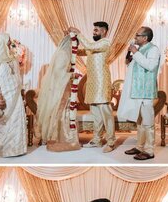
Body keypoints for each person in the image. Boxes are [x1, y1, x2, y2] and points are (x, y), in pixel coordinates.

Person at [68, 22, 115, 152]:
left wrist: (78, 33)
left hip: (101, 82)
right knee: (96, 115)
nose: (94, 32)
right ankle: (97, 140)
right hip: (92, 82)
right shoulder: (94, 46)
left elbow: (88, 45)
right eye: (93, 30)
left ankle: (111, 142)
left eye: (96, 30)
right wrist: (71, 44)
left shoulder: (105, 43)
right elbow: (83, 50)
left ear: (104, 31)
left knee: (106, 114)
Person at [119, 26, 161, 161]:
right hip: (136, 90)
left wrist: (135, 53)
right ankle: (139, 146)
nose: (135, 37)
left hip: (146, 91)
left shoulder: (153, 49)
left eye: (138, 35)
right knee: (140, 120)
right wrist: (129, 58)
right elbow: (136, 67)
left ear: (145, 38)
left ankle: (149, 150)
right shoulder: (141, 50)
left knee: (147, 121)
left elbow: (150, 66)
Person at [37, 36, 82, 152]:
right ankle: (60, 137)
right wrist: (72, 75)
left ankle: (58, 136)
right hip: (59, 88)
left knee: (63, 112)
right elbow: (58, 72)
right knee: (61, 112)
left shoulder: (66, 53)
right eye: (75, 45)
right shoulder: (63, 53)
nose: (76, 48)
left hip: (62, 86)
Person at [0, 32, 27, 157]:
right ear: (1, 43)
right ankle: (4, 150)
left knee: (17, 121)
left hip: (15, 95)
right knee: (5, 123)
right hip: (3, 96)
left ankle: (17, 149)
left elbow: (16, 76)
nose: (10, 43)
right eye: (8, 41)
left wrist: (20, 91)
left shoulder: (11, 57)